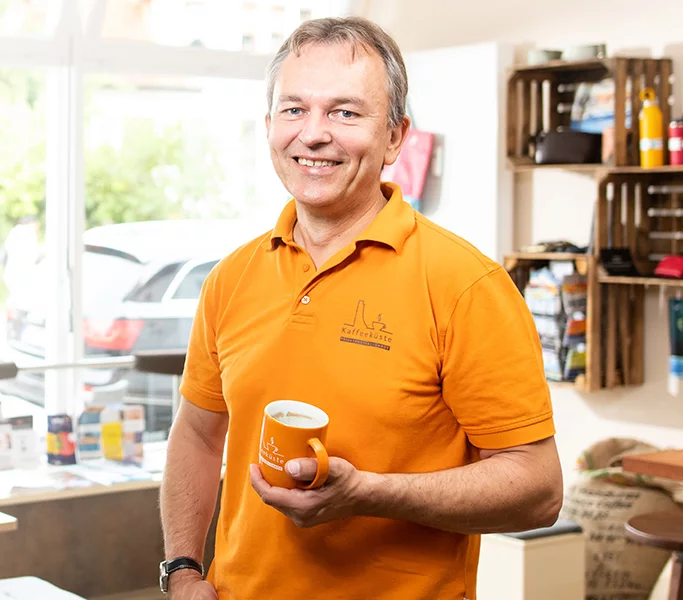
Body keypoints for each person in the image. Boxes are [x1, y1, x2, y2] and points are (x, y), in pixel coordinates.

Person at [157, 17, 562, 600]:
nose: (314, 135)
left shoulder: (464, 284)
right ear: (269, 125)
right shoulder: (232, 278)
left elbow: (539, 490)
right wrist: (183, 570)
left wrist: (368, 493)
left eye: (345, 113)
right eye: (294, 110)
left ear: (396, 137)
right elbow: (197, 434)